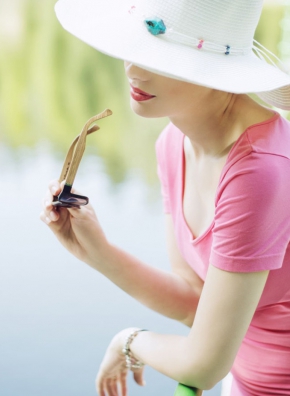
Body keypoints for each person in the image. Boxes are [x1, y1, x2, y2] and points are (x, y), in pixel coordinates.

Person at [39, 0, 290, 395]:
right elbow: (194, 300)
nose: (133, 70)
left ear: (216, 69)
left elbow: (203, 367)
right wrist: (98, 252)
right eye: (136, 49)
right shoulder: (174, 143)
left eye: (160, 58)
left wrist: (128, 341)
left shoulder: (260, 170)